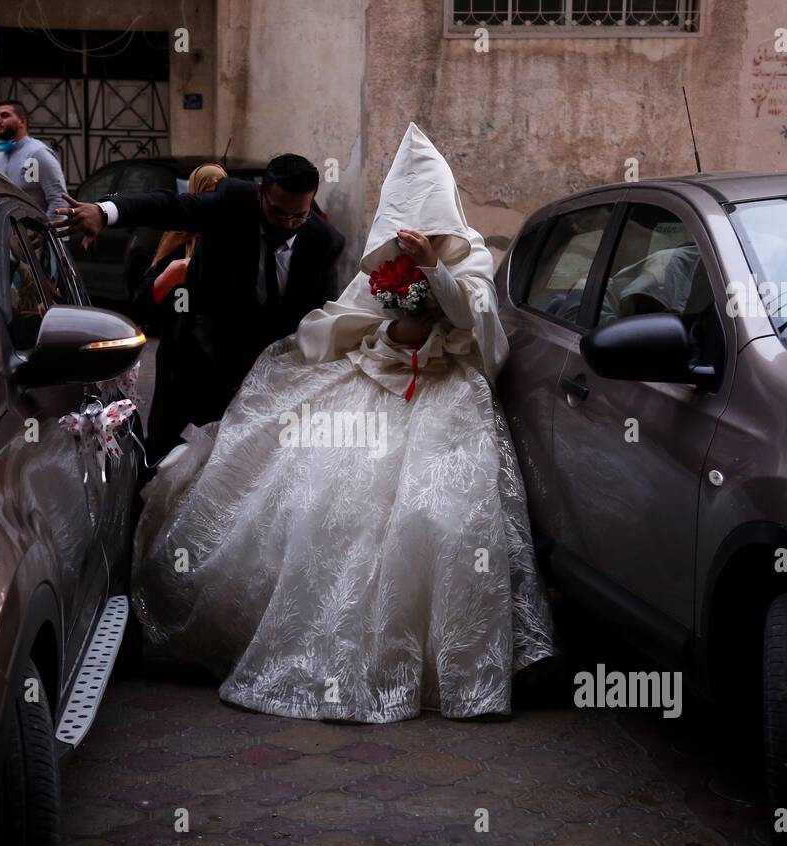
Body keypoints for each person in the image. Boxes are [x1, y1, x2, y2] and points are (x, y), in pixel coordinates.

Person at [129, 123, 557, 723]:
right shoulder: (374, 262)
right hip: (374, 383)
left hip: (445, 396)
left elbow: (473, 322)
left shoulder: (471, 258)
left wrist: (433, 272)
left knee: (443, 516)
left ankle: (439, 657)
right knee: (315, 500)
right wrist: (390, 330)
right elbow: (341, 319)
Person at [53, 154, 346, 461]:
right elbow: (169, 206)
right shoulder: (233, 203)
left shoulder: (323, 244)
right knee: (168, 460)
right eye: (277, 212)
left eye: (298, 216)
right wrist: (105, 211)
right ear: (261, 195)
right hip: (197, 361)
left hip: (264, 381)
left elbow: (317, 324)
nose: (287, 224)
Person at [129, 163, 227, 459]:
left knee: (211, 445)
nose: (210, 203)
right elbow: (142, 303)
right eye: (205, 194)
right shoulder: (176, 238)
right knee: (167, 440)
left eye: (217, 194)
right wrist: (171, 276)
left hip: (220, 359)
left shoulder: (234, 240)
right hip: (178, 355)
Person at [0, 100, 67, 220]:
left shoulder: (37, 153)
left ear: (22, 121)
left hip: (39, 236)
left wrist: (46, 233)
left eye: (5, 115)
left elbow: (59, 199)